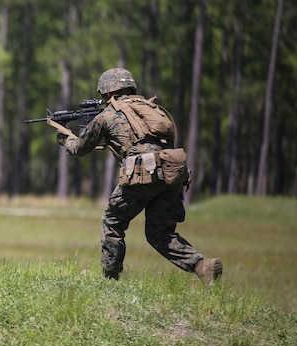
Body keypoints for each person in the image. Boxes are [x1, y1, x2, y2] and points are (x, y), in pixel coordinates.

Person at [60, 67, 222, 289]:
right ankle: (203, 266)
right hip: (171, 173)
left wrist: (66, 139)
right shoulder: (151, 108)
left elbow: (80, 149)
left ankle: (110, 282)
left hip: (141, 173)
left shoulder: (107, 115)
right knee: (160, 233)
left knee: (113, 221)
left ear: (107, 93)